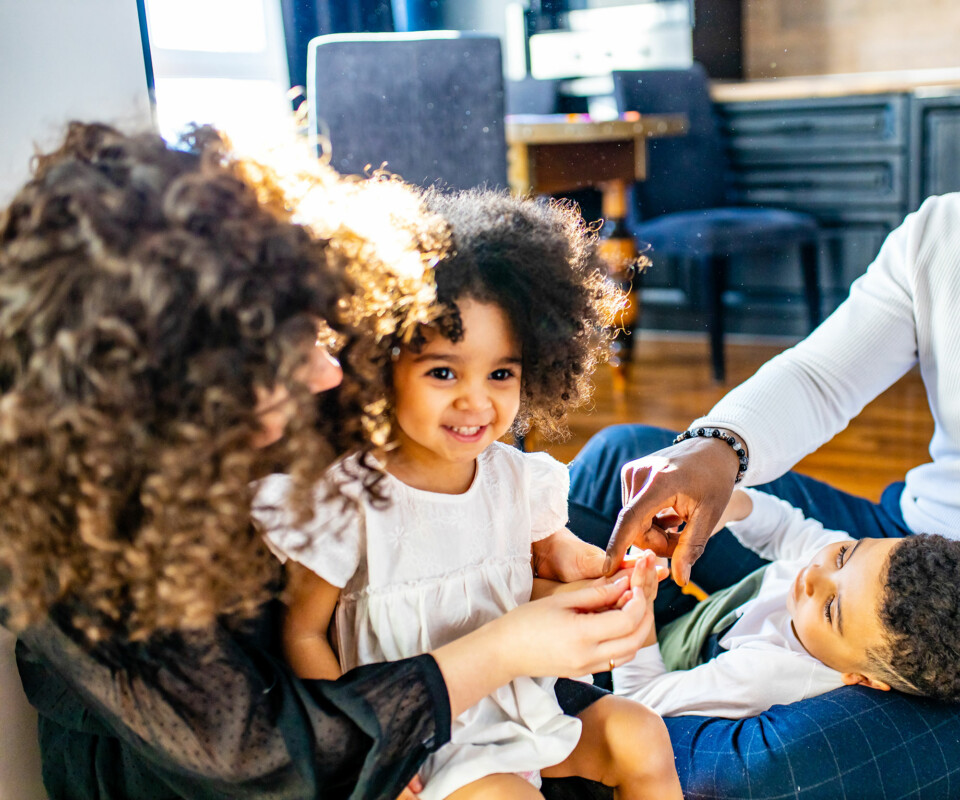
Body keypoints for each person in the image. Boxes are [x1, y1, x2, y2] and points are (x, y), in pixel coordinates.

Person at [568, 31, 960, 799]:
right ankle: (592, 700)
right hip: (895, 548)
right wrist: (717, 447)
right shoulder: (946, 233)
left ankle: (562, 711)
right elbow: (824, 376)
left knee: (776, 773)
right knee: (625, 465)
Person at [0, 122, 654, 800]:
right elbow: (259, 756)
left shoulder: (309, 398)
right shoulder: (73, 549)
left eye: (313, 331)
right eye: (282, 355)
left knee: (628, 458)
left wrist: (539, 568)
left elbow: (445, 518)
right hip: (271, 760)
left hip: (420, 680)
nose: (325, 372)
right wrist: (503, 648)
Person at [254, 188, 682, 800]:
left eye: (500, 373)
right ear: (382, 363)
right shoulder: (345, 499)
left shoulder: (514, 476)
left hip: (513, 703)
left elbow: (560, 564)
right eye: (443, 372)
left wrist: (614, 575)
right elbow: (301, 634)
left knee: (639, 734)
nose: (476, 401)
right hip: (415, 734)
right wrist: (361, 750)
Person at [611, 488, 960, 716]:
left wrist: (636, 611)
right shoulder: (844, 574)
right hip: (684, 619)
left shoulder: (768, 676)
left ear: (863, 679)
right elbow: (785, 529)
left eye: (831, 609)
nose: (812, 576)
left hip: (637, 662)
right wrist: (729, 506)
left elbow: (643, 700)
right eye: (842, 555)